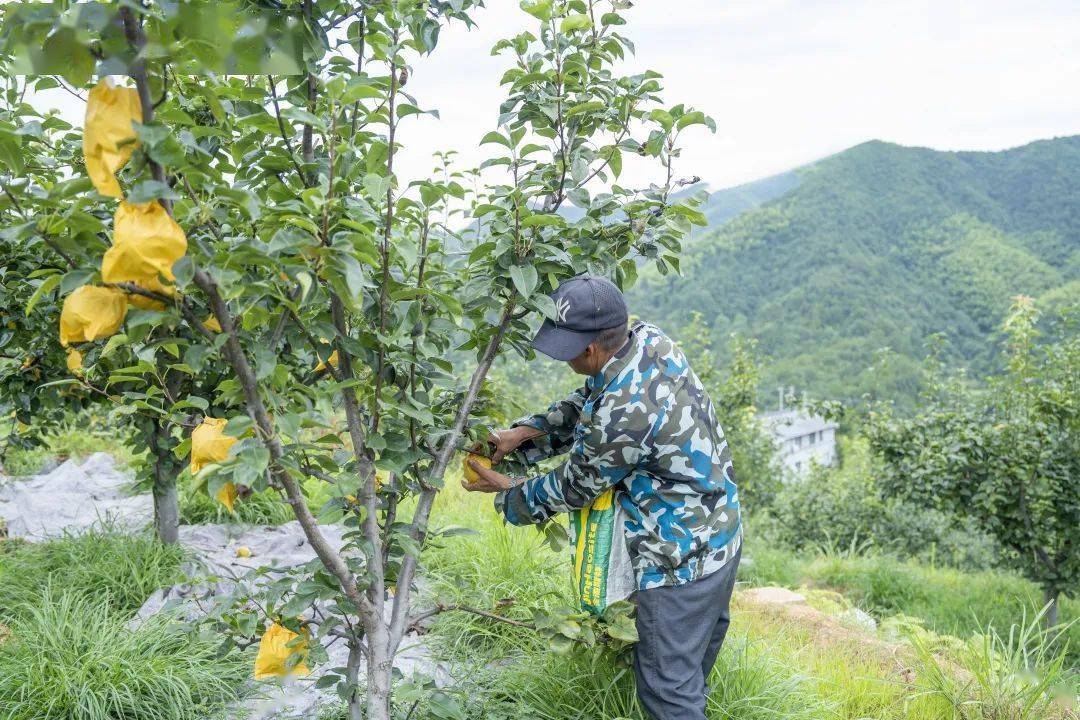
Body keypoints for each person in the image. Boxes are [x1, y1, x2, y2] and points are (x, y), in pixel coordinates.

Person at [463, 274, 742, 720]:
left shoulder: (624, 413)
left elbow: (575, 485)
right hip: (718, 536)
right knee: (686, 680)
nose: (564, 359)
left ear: (590, 349)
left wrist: (509, 493)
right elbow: (592, 398)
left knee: (668, 695)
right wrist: (526, 433)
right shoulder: (648, 341)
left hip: (677, 562)